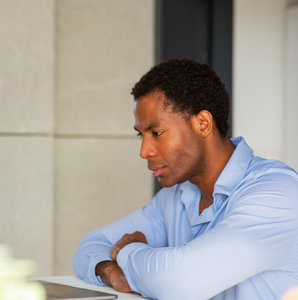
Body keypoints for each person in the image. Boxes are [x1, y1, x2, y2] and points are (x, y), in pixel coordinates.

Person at [72, 59, 298, 300]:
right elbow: (90, 245)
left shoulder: (279, 194)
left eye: (157, 133)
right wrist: (109, 270)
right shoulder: (176, 197)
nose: (144, 151)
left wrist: (127, 251)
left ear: (202, 124)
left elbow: (178, 282)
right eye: (141, 135)